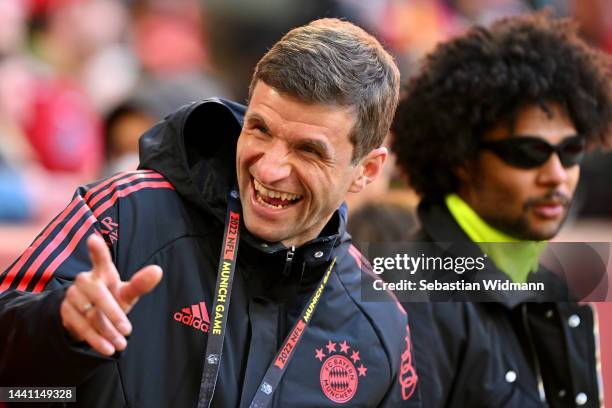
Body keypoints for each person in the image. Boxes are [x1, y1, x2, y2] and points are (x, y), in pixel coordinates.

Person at [0, 19, 419, 407]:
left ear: (365, 171)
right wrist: (58, 328)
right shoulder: (124, 213)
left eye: (308, 150)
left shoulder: (379, 329)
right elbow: (15, 385)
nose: (269, 169)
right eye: (260, 129)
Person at [391, 13, 612, 408]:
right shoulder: (413, 295)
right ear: (461, 157)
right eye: (527, 154)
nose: (556, 176)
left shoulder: (546, 282)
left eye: (571, 151)